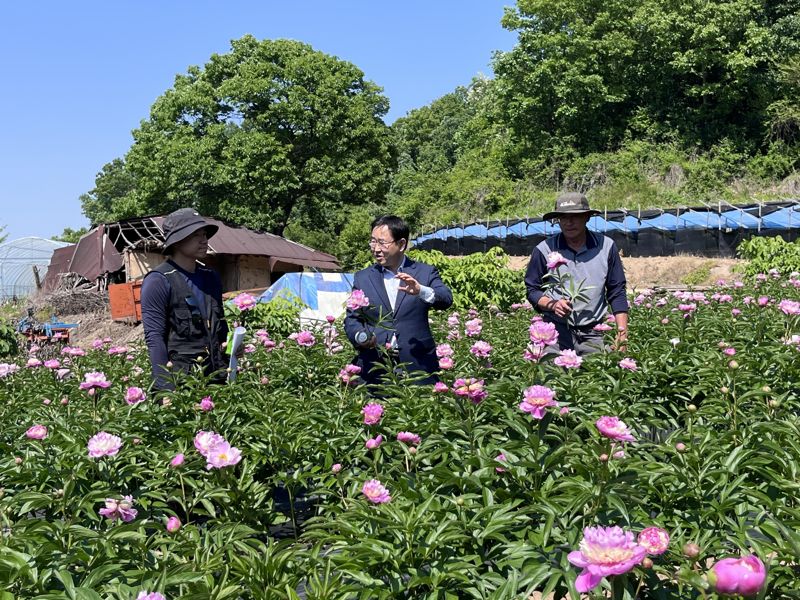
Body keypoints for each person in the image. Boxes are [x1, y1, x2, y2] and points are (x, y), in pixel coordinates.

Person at [344, 215, 453, 385]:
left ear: (401, 244)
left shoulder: (425, 272)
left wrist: (420, 291)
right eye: (373, 242)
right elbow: (352, 319)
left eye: (382, 243)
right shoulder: (363, 278)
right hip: (376, 368)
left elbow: (446, 299)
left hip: (419, 365)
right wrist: (361, 336)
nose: (376, 248)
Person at [524, 192, 629, 354]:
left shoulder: (606, 247)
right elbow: (532, 290)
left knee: (598, 377)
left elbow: (617, 292)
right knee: (552, 378)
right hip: (555, 335)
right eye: (563, 217)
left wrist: (622, 334)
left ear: (587, 217)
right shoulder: (544, 249)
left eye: (575, 216)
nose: (569, 222)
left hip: (594, 333)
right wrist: (553, 304)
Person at [141, 208, 229, 391]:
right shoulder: (158, 281)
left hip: (218, 378)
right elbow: (154, 338)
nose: (204, 240)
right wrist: (166, 389)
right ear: (177, 241)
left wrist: (231, 347)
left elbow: (220, 327)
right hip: (183, 385)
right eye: (195, 235)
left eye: (204, 234)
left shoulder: (211, 278)